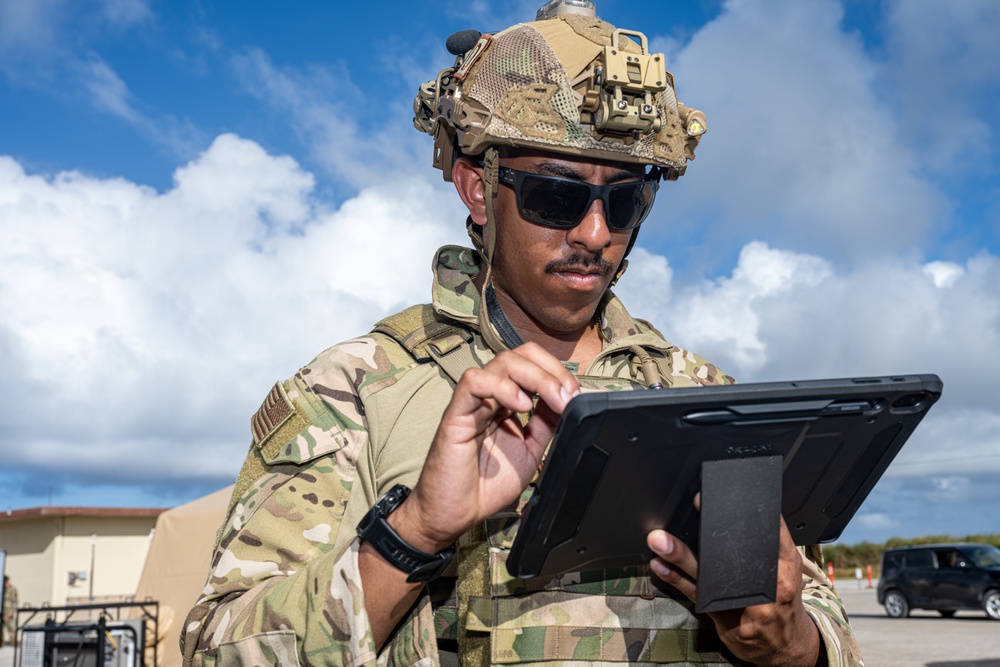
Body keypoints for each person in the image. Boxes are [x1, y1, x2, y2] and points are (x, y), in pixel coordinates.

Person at [181, 2, 864, 665]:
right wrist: (416, 530)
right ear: (478, 190)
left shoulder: (700, 394)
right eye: (557, 196)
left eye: (625, 202)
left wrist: (793, 645)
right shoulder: (355, 391)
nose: (595, 234)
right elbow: (217, 649)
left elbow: (814, 613)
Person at [1, 575, 17, 648]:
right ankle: (1, 643)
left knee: (11, 628)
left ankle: (13, 642)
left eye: (6, 580)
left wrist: (11, 612)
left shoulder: (12, 589)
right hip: (2, 612)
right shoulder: (1, 589)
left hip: (8, 612)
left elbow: (15, 602)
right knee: (1, 629)